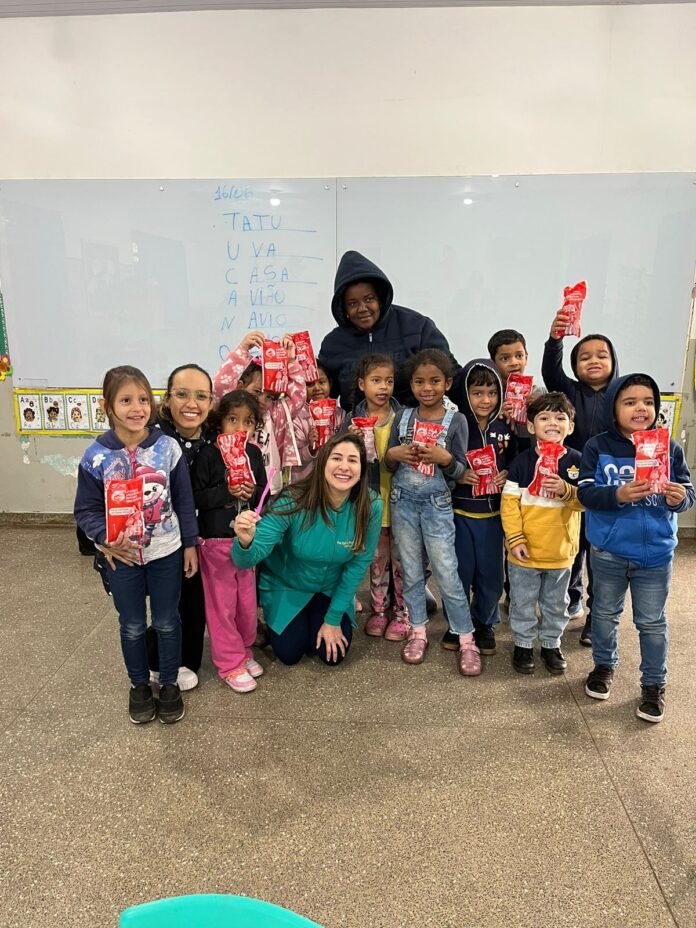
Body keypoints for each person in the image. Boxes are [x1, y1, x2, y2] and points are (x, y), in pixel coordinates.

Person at [74, 366, 198, 725]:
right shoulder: (95, 456)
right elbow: (85, 509)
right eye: (126, 400)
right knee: (130, 624)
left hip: (165, 551)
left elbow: (184, 501)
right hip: (121, 557)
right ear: (107, 405)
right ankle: (139, 686)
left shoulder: (167, 448)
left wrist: (189, 544)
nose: (137, 408)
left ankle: (170, 684)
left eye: (143, 399)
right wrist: (104, 537)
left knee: (167, 620)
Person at [578, 373, 695, 723]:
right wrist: (616, 494)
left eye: (647, 401)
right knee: (603, 613)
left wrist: (679, 499)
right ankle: (603, 666)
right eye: (630, 402)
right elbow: (584, 492)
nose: (640, 408)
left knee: (652, 622)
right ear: (614, 408)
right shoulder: (597, 447)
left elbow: (688, 492)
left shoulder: (669, 447)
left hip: (656, 555)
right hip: (609, 552)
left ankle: (654, 684)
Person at [232, 433, 382, 666]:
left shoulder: (370, 505)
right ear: (323, 462)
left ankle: (320, 618)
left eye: (353, 460)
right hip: (287, 585)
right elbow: (247, 559)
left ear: (362, 468)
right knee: (289, 654)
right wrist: (245, 542)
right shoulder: (293, 499)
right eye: (337, 458)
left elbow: (358, 565)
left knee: (332, 656)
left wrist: (333, 619)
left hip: (331, 588)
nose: (344, 466)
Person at [385, 349, 481, 675]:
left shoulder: (457, 420)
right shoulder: (403, 417)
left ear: (447, 383)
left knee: (446, 572)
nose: (427, 388)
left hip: (437, 504)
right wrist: (395, 453)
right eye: (419, 382)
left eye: (435, 381)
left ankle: (467, 639)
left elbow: (460, 469)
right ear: (410, 385)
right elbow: (387, 461)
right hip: (402, 501)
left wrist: (444, 459)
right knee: (411, 570)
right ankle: (418, 631)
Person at [542, 313, 619, 647]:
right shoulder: (569, 391)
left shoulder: (621, 393)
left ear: (614, 361)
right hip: (572, 483)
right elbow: (550, 371)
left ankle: (596, 616)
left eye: (602, 355)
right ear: (574, 366)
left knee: (601, 555)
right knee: (572, 548)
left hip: (608, 487)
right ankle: (570, 598)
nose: (593, 361)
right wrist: (555, 339)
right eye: (584, 357)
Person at [501, 393, 584, 675]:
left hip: (561, 551)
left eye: (560, 418)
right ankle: (523, 644)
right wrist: (515, 539)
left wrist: (567, 490)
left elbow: (587, 500)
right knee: (523, 601)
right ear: (531, 426)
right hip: (524, 551)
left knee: (556, 603)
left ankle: (551, 643)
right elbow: (509, 505)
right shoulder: (521, 463)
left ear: (570, 427)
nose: (552, 423)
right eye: (544, 417)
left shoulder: (577, 462)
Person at [146, 363, 217, 691]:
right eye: (182, 394)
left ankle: (187, 660)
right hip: (160, 540)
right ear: (167, 399)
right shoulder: (153, 440)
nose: (192, 404)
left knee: (194, 600)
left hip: (201, 538)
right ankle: (157, 661)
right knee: (166, 603)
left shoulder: (215, 438)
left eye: (201, 396)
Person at [191, 390, 267, 693]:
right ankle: (229, 663)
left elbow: (264, 493)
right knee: (221, 607)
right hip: (215, 542)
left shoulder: (255, 454)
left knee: (246, 604)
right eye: (232, 419)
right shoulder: (208, 454)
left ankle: (244, 650)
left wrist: (253, 491)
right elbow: (195, 497)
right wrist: (227, 492)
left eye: (247, 422)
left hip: (246, 542)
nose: (240, 428)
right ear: (219, 421)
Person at [317, 250, 459, 409]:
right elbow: (320, 392)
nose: (362, 308)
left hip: (414, 429)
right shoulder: (333, 344)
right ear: (343, 309)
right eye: (352, 303)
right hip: (355, 430)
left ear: (381, 298)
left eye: (369, 299)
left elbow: (453, 375)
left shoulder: (417, 327)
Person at [450, 359, 514, 656]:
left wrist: (508, 473)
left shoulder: (507, 427)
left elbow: (524, 458)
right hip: (460, 513)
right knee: (460, 572)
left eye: (491, 393)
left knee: (490, 574)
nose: (485, 400)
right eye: (477, 393)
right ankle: (458, 623)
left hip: (494, 516)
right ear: (466, 393)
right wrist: (458, 474)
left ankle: (485, 621)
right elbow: (444, 461)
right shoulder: (456, 423)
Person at [343, 353, 409, 641]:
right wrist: (349, 440)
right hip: (370, 505)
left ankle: (403, 614)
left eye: (389, 381)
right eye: (376, 381)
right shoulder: (352, 419)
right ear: (362, 384)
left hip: (402, 504)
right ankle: (379, 610)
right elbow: (341, 462)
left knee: (403, 562)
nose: (384, 387)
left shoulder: (405, 417)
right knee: (376, 561)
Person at [214, 330, 306, 496]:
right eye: (257, 391)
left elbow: (298, 397)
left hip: (268, 488)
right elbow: (220, 387)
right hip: (232, 485)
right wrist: (243, 349)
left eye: (270, 396)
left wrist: (291, 361)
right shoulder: (230, 408)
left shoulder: (275, 413)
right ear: (240, 386)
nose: (262, 400)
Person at [291, 362, 346, 484]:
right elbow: (294, 457)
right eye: (310, 384)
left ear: (330, 384)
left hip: (332, 481)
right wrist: (310, 448)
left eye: (321, 382)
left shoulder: (340, 414)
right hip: (304, 482)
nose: (317, 388)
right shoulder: (297, 417)